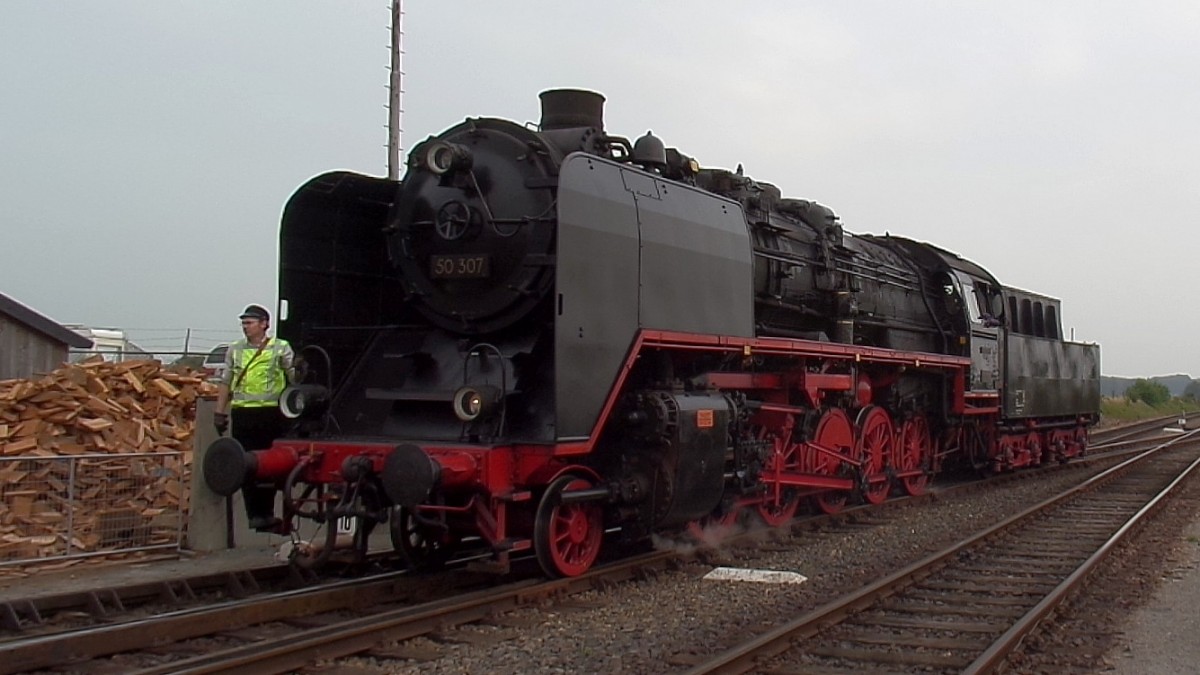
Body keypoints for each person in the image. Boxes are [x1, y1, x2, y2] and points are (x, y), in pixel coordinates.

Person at [215, 304, 296, 531]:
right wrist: (219, 413)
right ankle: (256, 515)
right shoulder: (235, 349)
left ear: (264, 324)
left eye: (249, 323)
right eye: (243, 323)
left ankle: (268, 513)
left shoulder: (280, 348)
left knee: (269, 465)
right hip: (243, 413)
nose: (245, 328)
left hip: (271, 414)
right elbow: (225, 382)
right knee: (247, 465)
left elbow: (294, 378)